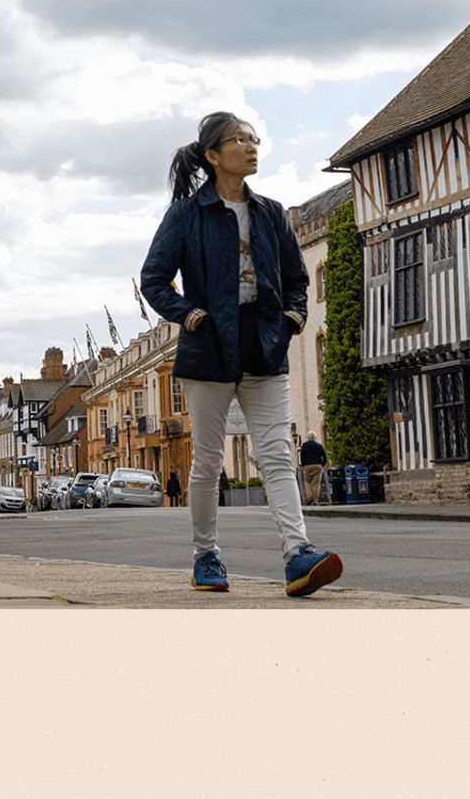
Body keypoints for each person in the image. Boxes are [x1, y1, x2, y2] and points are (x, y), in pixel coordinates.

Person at [141, 112, 345, 598]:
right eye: (239, 140)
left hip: (264, 343)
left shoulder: (271, 213)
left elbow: (296, 279)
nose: (252, 147)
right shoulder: (186, 215)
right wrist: (189, 315)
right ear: (213, 155)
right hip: (208, 345)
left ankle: (298, 555)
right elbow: (154, 279)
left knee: (276, 454)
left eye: (254, 139)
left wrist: (294, 319)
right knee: (208, 462)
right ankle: (205, 557)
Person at [299, 431, 328, 507]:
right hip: (317, 466)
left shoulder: (304, 445)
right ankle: (315, 500)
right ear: (315, 437)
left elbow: (302, 456)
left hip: (307, 466)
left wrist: (303, 465)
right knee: (316, 484)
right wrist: (322, 465)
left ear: (308, 438)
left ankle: (309, 497)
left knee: (307, 482)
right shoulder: (319, 445)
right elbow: (325, 456)